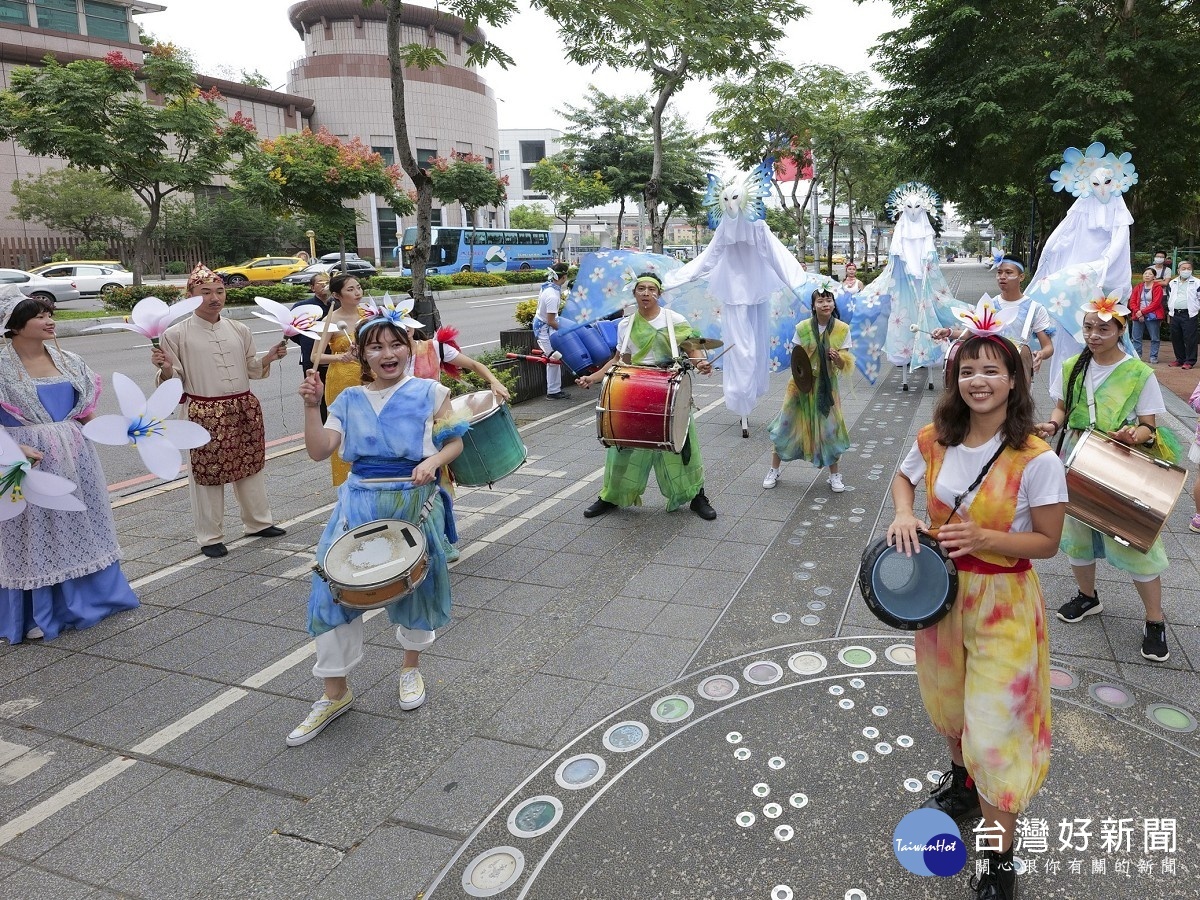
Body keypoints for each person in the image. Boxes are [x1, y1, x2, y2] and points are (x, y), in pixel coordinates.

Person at [888, 311, 1067, 900]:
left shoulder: (1037, 459)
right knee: (947, 705)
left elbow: (1047, 542)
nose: (979, 380)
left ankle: (997, 858)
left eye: (992, 370)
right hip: (939, 599)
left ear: (1014, 379)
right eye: (968, 370)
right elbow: (902, 478)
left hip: (1003, 606)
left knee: (995, 731)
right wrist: (905, 513)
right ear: (954, 378)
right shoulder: (935, 436)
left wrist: (987, 538)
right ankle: (965, 783)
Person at [287, 315, 466, 746]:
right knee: (329, 593)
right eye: (376, 347)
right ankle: (334, 694)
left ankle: (410, 668)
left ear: (408, 347)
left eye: (396, 345)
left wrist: (432, 463)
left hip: (413, 504)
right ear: (362, 355)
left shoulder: (431, 392)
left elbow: (455, 442)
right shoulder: (348, 398)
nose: (388, 354)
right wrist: (312, 406)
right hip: (358, 503)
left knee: (416, 590)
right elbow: (318, 451)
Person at [1037, 294, 1179, 662]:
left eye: (1103, 328)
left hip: (1117, 462)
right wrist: (1052, 424)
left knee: (1133, 539)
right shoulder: (1072, 365)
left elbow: (1149, 427)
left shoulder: (1138, 373)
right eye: (1088, 327)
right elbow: (1062, 407)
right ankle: (1088, 597)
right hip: (1075, 458)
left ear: (1121, 330)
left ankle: (1154, 621)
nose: (1093, 335)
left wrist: (1135, 435)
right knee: (1077, 534)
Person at [0, 291, 139, 643]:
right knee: (34, 530)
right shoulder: (1, 366)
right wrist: (14, 447)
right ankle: (37, 611)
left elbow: (84, 411)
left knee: (82, 519)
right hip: (26, 459)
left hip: (77, 455)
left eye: (50, 313)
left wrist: (118, 429)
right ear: (14, 326)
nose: (50, 321)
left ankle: (96, 598)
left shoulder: (69, 359)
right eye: (40, 316)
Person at [153, 264, 289, 559]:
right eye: (206, 293)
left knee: (250, 466)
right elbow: (173, 382)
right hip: (203, 410)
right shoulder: (175, 334)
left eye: (220, 291)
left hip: (242, 405)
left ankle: (258, 522)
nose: (215, 298)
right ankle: (210, 536)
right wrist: (164, 369)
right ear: (190, 296)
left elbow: (252, 367)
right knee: (206, 476)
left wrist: (270, 357)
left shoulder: (239, 329)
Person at [576, 272, 717, 520]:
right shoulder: (626, 324)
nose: (646, 294)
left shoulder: (674, 320)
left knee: (684, 446)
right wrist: (593, 377)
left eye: (651, 290)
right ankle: (611, 496)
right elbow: (619, 362)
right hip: (636, 391)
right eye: (641, 289)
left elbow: (694, 350)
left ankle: (697, 496)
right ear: (634, 294)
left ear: (659, 294)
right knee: (622, 446)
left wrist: (701, 364)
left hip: (670, 390)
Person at [763, 286, 853, 492]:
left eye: (829, 300)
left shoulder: (842, 329)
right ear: (813, 306)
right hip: (800, 386)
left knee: (831, 431)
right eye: (820, 301)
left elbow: (844, 365)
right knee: (785, 427)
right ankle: (773, 470)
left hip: (827, 388)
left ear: (833, 303)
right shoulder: (802, 328)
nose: (825, 304)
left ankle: (834, 475)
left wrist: (838, 358)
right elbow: (797, 359)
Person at [932, 256, 1054, 379]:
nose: (1002, 276)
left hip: (1019, 372)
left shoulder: (1035, 309)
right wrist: (948, 332)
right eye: (999, 272)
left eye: (1008, 272)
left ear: (1021, 277)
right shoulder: (988, 305)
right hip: (991, 370)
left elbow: (1048, 346)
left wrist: (1041, 354)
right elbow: (970, 333)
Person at [314, 273, 368, 486]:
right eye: (351, 289)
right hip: (341, 381)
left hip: (368, 378)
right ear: (337, 295)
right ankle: (346, 481)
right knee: (344, 429)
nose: (357, 292)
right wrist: (340, 356)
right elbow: (315, 356)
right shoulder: (331, 320)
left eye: (358, 287)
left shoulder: (367, 315)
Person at [290, 273, 332, 421]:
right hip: (311, 357)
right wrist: (306, 342)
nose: (324, 285)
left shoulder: (336, 305)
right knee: (315, 393)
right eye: (320, 283)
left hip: (333, 357)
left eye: (327, 282)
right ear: (312, 287)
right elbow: (291, 331)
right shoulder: (303, 307)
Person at [534, 262, 571, 400]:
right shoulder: (552, 295)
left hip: (544, 325)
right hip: (543, 329)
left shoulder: (549, 286)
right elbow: (551, 321)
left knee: (553, 359)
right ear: (564, 277)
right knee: (553, 358)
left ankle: (554, 390)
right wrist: (565, 330)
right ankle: (553, 391)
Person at [1166, 259, 1199, 370]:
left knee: (1190, 338)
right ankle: (1180, 359)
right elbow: (1169, 297)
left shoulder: (1197, 282)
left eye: (1189, 269)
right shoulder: (1172, 282)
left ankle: (1190, 361)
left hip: (1189, 314)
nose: (1186, 270)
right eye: (1183, 268)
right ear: (1178, 270)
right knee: (1176, 337)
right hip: (1175, 314)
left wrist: (1195, 308)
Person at [1129, 267, 1165, 363]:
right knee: (1136, 337)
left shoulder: (1158, 288)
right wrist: (1137, 311)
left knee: (1154, 338)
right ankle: (1138, 356)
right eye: (1145, 273)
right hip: (1138, 314)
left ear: (1154, 277)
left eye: (1149, 274)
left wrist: (1142, 312)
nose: (1147, 275)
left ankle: (1153, 356)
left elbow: (1156, 303)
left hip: (1152, 315)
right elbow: (1132, 301)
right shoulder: (1138, 287)